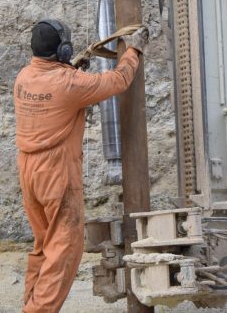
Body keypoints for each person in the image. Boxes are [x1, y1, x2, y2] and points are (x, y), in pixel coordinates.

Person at [13, 18, 148, 312]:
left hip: (28, 169)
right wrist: (133, 51)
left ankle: (30, 304)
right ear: (62, 51)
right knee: (64, 249)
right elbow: (118, 81)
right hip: (55, 171)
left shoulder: (24, 77)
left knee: (43, 245)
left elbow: (58, 87)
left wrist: (74, 67)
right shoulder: (69, 84)